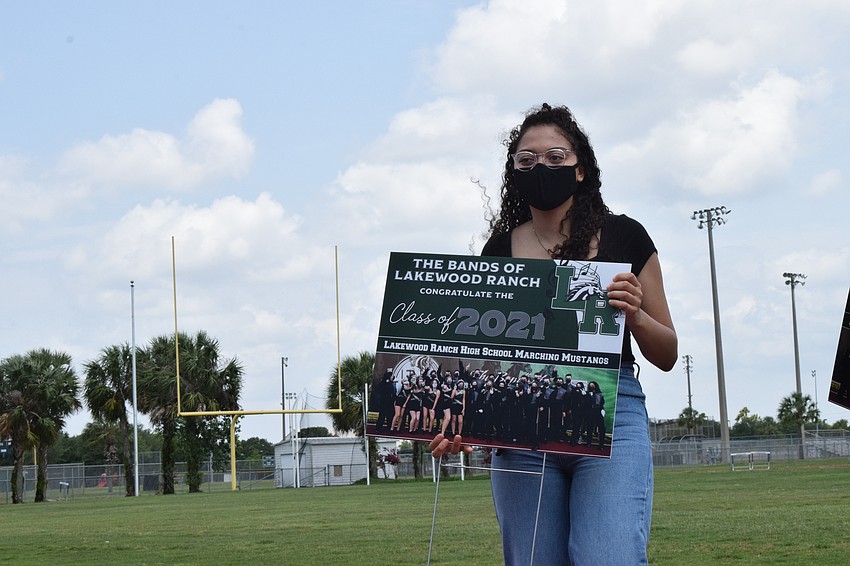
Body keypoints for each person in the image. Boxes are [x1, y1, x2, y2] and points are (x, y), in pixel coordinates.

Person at [429, 103, 677, 565]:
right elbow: (484, 360)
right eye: (527, 160)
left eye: (555, 157)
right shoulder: (499, 250)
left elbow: (667, 353)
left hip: (610, 410)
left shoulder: (626, 237)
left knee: (611, 558)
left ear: (581, 169)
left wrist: (636, 316)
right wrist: (461, 423)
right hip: (520, 423)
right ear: (514, 173)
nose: (541, 167)